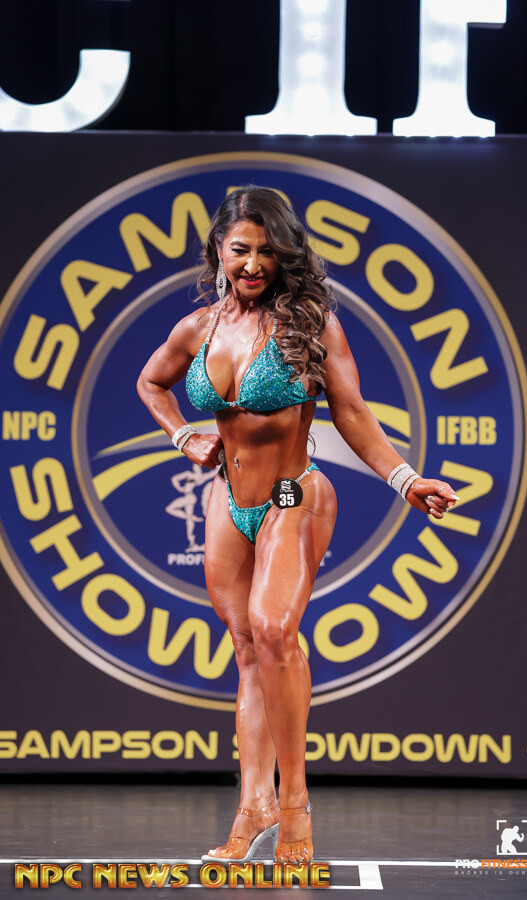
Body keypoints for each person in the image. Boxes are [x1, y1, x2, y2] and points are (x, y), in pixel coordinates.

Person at [137, 186, 458, 865]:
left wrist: (406, 480)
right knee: (247, 649)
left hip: (293, 492)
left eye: (267, 251)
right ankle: (251, 804)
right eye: (240, 250)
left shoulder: (310, 324)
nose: (253, 264)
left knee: (276, 631)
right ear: (219, 252)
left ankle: (294, 805)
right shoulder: (198, 328)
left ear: (285, 254)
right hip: (229, 498)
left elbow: (353, 412)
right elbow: (151, 383)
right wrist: (181, 436)